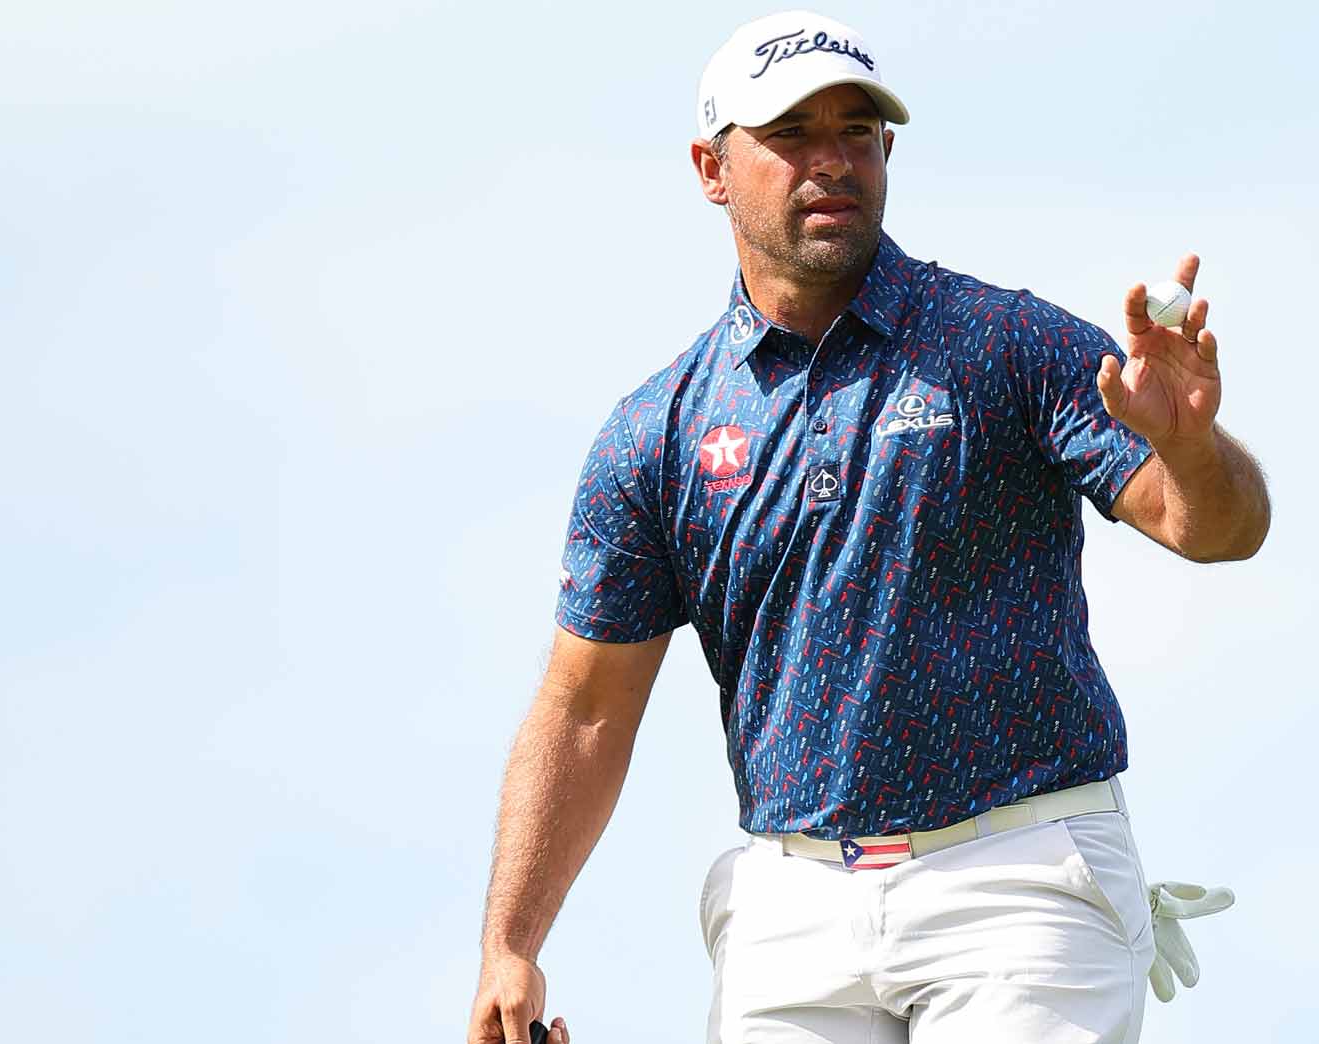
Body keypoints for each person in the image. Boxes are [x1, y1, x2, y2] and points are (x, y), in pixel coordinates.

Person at [467, 10, 1270, 1044]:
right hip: (789, 905)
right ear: (711, 169)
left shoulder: (1001, 343)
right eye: (792, 134)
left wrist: (1195, 449)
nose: (830, 161)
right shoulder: (654, 434)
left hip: (1017, 879)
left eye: (856, 133)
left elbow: (1212, 528)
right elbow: (583, 710)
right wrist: (512, 945)